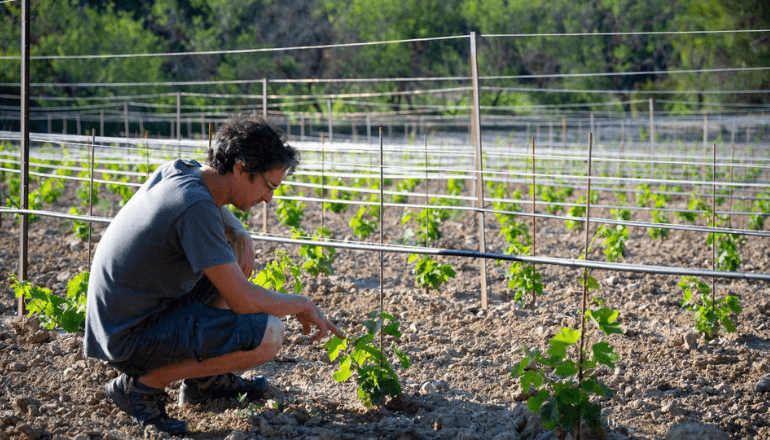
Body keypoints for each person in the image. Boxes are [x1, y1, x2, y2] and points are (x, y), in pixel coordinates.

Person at [84, 113, 342, 434]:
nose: (269, 198)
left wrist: (239, 231)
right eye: (268, 185)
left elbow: (213, 207)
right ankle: (141, 387)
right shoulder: (195, 207)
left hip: (123, 320)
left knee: (231, 252)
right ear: (240, 168)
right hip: (128, 338)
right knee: (268, 335)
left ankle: (203, 383)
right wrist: (302, 303)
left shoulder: (184, 172)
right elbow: (244, 301)